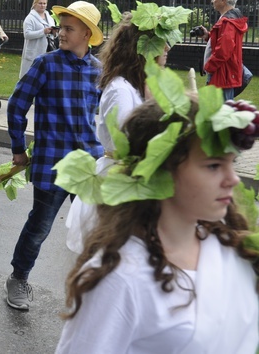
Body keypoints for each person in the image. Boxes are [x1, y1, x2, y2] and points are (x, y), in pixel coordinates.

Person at [55, 93, 259, 353]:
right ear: (161, 170)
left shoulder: (226, 245)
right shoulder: (122, 278)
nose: (233, 179)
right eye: (213, 166)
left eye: (232, 163)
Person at [4, 1, 104, 310]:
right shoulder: (45, 65)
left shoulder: (99, 71)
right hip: (53, 164)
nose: (61, 32)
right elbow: (16, 105)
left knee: (95, 229)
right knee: (40, 227)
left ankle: (96, 287)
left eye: (69, 28)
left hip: (88, 165)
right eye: (60, 26)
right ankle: (18, 278)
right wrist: (18, 148)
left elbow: (106, 115)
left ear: (87, 34)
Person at [65, 12, 175, 253]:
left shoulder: (136, 87)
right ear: (141, 48)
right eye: (160, 41)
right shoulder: (121, 90)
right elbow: (129, 142)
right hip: (119, 182)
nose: (167, 47)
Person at [196, 0, 248, 101]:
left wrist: (208, 67)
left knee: (219, 114)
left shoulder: (228, 22)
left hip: (221, 76)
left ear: (223, 0)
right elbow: (224, 43)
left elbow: (224, 51)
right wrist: (207, 36)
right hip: (223, 75)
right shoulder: (230, 19)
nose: (212, 1)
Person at [19, 0, 57, 78]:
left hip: (48, 49)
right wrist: (43, 31)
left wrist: (54, 32)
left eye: (44, 3)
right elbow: (27, 34)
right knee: (31, 76)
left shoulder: (50, 17)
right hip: (34, 51)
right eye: (40, 3)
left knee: (45, 76)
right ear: (35, 4)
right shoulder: (30, 18)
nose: (42, 5)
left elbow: (52, 35)